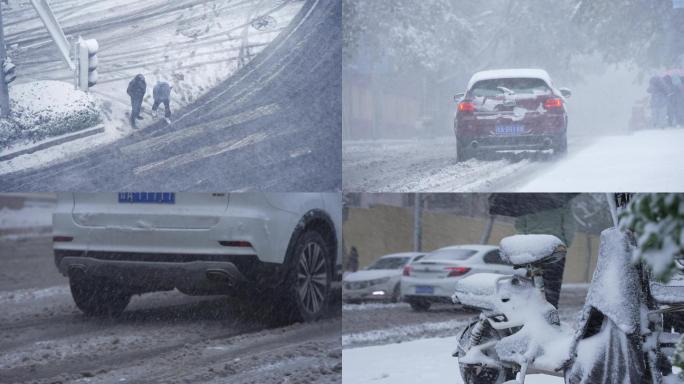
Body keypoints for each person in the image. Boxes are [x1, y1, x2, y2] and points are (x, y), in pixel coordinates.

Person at [514, 202, 576, 309]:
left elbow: (519, 226)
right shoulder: (561, 201)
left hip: (533, 250)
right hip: (554, 250)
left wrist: (525, 243)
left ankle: (533, 312)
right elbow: (569, 225)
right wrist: (564, 243)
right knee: (553, 285)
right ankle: (551, 312)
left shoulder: (528, 201)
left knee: (532, 283)